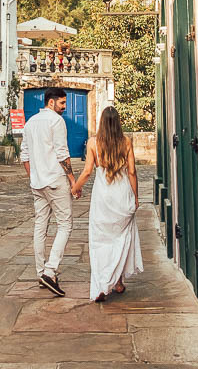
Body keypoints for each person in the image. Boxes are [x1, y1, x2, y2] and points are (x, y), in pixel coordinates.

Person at [71, 106, 143, 302]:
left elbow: (87, 171)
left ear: (102, 122)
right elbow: (132, 172)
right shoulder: (126, 142)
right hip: (122, 195)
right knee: (121, 239)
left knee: (100, 241)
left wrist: (75, 187)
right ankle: (118, 283)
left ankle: (102, 284)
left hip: (103, 197)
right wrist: (135, 197)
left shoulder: (93, 142)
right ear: (118, 122)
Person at [20, 87, 79, 297]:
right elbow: (63, 153)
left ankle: (40, 273)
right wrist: (73, 181)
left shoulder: (30, 122)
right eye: (62, 103)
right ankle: (50, 270)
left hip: (37, 183)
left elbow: (24, 155)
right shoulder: (56, 121)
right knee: (65, 224)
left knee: (40, 226)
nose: (64, 107)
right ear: (51, 102)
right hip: (55, 180)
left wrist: (33, 176)